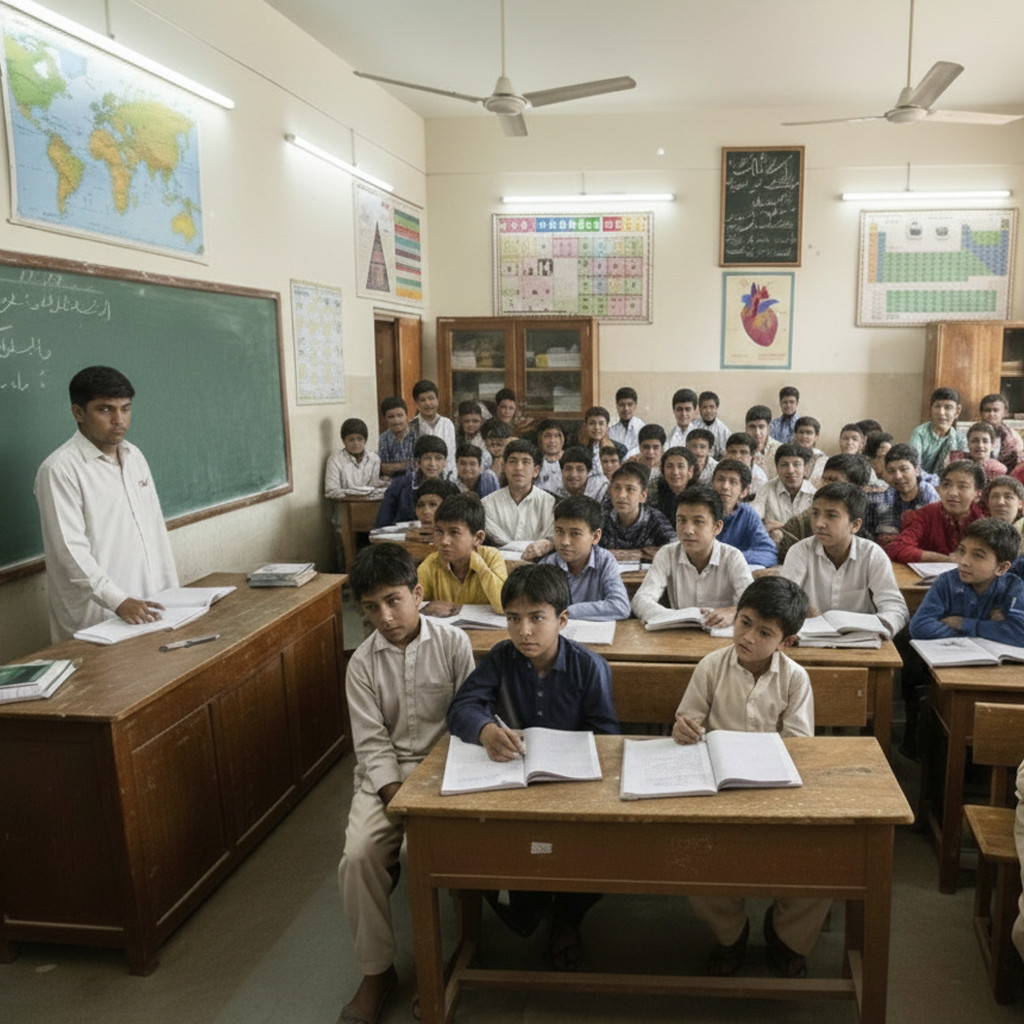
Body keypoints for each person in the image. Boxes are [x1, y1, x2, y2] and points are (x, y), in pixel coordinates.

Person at [446, 564, 619, 970]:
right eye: (513, 618)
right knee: (495, 844)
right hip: (513, 780)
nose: (524, 630)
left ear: (562, 619)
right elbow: (463, 708)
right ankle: (527, 902)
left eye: (537, 617)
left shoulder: (589, 667)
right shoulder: (501, 659)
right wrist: (486, 730)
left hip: (573, 786)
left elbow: (607, 738)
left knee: (587, 848)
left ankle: (566, 916)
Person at [338, 544, 474, 1024]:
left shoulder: (454, 645)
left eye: (394, 600)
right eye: (371, 606)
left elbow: (469, 718)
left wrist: (428, 794)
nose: (386, 616)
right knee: (358, 856)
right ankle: (378, 972)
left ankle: (442, 959)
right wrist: (398, 798)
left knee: (423, 854)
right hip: (385, 780)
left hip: (445, 770)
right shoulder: (362, 664)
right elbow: (371, 744)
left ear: (418, 594)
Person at [673, 576, 827, 979]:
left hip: (776, 787)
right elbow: (687, 720)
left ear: (786, 642)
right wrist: (683, 729)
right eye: (744, 622)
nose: (747, 637)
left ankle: (786, 936)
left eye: (764, 632)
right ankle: (730, 934)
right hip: (717, 787)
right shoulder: (711, 666)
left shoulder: (795, 679)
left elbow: (799, 745)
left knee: (824, 863)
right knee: (696, 858)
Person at [34, 365, 179, 642]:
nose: (119, 420)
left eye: (125, 408)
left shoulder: (134, 455)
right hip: (99, 620)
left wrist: (171, 593)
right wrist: (118, 601)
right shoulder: (59, 470)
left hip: (149, 608)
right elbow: (69, 552)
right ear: (78, 412)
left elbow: (154, 531)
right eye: (105, 410)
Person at [895, 518, 1024, 758]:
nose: (964, 561)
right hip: (948, 666)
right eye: (962, 551)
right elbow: (921, 627)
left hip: (994, 671)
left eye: (978, 556)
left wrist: (965, 623)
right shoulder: (947, 581)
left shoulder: (1014, 588)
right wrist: (992, 626)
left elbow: (1020, 633)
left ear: (1002, 568)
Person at [780, 482, 908, 638]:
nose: (819, 523)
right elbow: (782, 601)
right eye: (815, 513)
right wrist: (797, 609)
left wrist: (876, 628)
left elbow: (896, 609)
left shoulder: (872, 554)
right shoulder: (800, 551)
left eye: (831, 515)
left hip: (861, 642)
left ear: (855, 525)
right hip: (809, 639)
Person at [631, 484, 753, 628]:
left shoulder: (732, 557)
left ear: (717, 527)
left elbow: (754, 605)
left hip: (720, 637)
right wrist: (673, 616)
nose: (688, 530)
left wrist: (734, 612)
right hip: (680, 637)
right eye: (681, 520)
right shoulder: (667, 554)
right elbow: (641, 600)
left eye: (698, 522)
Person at [539, 496, 631, 620]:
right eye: (559, 532)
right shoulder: (547, 565)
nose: (565, 542)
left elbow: (621, 607)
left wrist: (568, 612)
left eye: (575, 534)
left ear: (595, 537)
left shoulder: (605, 560)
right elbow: (538, 610)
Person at [417, 493, 507, 614]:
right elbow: (414, 603)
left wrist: (481, 568)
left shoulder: (491, 557)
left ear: (478, 538)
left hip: (482, 632)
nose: (444, 541)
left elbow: (503, 606)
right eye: (439, 531)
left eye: (454, 532)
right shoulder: (431, 563)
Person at [885, 461, 985, 564]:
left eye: (962, 486)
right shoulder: (927, 515)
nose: (952, 493)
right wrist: (946, 559)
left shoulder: (984, 519)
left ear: (977, 494)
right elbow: (896, 548)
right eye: (946, 485)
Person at [776, 453, 870, 558]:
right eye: (825, 479)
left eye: (834, 480)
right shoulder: (801, 522)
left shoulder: (871, 516)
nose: (826, 485)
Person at [481, 439, 556, 556]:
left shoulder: (549, 503)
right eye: (512, 461)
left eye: (525, 462)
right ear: (504, 467)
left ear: (536, 471)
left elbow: (550, 540)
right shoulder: (487, 503)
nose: (518, 467)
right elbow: (495, 540)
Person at [862, 443, 939, 544]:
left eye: (904, 469)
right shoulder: (881, 498)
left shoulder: (929, 496)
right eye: (891, 471)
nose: (898, 476)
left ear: (917, 471)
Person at [711, 459, 778, 569]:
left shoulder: (747, 514)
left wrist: (731, 558)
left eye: (733, 482)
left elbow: (769, 553)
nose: (725, 486)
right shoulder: (700, 510)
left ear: (744, 491)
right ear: (712, 484)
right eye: (720, 480)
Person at [599, 463, 676, 554]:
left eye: (630, 489)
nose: (621, 495)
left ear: (643, 496)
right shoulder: (602, 516)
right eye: (617, 488)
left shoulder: (655, 518)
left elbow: (675, 548)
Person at [375, 435, 450, 527]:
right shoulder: (399, 485)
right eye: (427, 458)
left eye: (438, 458)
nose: (432, 464)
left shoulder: (450, 488)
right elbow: (382, 523)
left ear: (445, 462)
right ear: (417, 461)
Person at [752, 443, 815, 545]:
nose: (790, 471)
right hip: (774, 548)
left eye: (796, 464)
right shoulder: (766, 489)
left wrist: (782, 526)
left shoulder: (814, 495)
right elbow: (754, 519)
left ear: (806, 469)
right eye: (784, 465)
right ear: (777, 468)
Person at [909, 386, 969, 475]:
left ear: (957, 411)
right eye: (937, 406)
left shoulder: (960, 438)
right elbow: (914, 466)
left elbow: (964, 468)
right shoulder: (920, 433)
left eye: (948, 407)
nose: (941, 412)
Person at [409, 379, 457, 477]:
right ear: (417, 404)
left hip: (446, 477)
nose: (427, 403)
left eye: (431, 398)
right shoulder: (412, 426)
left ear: (437, 400)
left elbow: (451, 456)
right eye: (422, 400)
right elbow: (412, 459)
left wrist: (450, 479)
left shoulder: (447, 424)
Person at [648, 446, 697, 522]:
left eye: (680, 466)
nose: (675, 472)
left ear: (690, 471)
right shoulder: (653, 492)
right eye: (669, 466)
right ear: (663, 470)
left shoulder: (700, 495)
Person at [980, 392, 1022, 471]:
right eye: (987, 410)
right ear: (981, 413)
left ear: (1004, 413)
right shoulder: (972, 436)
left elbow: (1019, 464)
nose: (991, 414)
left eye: (996, 410)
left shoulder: (1013, 438)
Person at [377, 396, 415, 477]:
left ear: (406, 416)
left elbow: (422, 464)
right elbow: (384, 468)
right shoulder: (384, 438)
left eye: (400, 415)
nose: (396, 421)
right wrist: (407, 465)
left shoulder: (417, 434)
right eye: (391, 417)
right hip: (393, 484)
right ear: (384, 419)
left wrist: (395, 466)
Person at [986, 475, 1024, 554]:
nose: (1000, 502)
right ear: (988, 503)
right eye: (995, 496)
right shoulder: (981, 532)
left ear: (1020, 504)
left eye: (1008, 497)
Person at [723, 431, 768, 495]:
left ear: (753, 455)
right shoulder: (719, 472)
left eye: (743, 452)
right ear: (726, 453)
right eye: (733, 452)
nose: (737, 457)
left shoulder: (759, 479)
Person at [745, 404, 780, 482]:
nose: (757, 433)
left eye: (761, 427)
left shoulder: (779, 451)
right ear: (746, 428)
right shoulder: (738, 450)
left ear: (768, 428)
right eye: (752, 427)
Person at [455, 400, 492, 470]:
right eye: (466, 421)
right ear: (461, 422)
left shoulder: (487, 440)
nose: (470, 425)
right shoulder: (457, 440)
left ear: (482, 421)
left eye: (475, 421)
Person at [608, 385, 644, 455]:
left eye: (629, 404)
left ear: (635, 406)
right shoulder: (611, 431)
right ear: (616, 406)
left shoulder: (642, 428)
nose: (626, 409)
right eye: (622, 405)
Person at [535, 418, 566, 493]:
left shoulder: (570, 459)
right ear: (540, 439)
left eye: (556, 436)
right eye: (547, 436)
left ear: (562, 439)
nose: (552, 441)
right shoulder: (534, 459)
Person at [696, 390, 730, 457]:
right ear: (699, 409)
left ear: (716, 408)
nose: (708, 411)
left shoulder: (723, 430)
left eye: (711, 407)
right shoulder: (693, 426)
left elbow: (726, 454)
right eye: (705, 407)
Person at [480, 419, 513, 484]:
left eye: (499, 445)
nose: (496, 449)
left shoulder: (512, 455)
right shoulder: (482, 456)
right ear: (484, 440)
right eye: (492, 444)